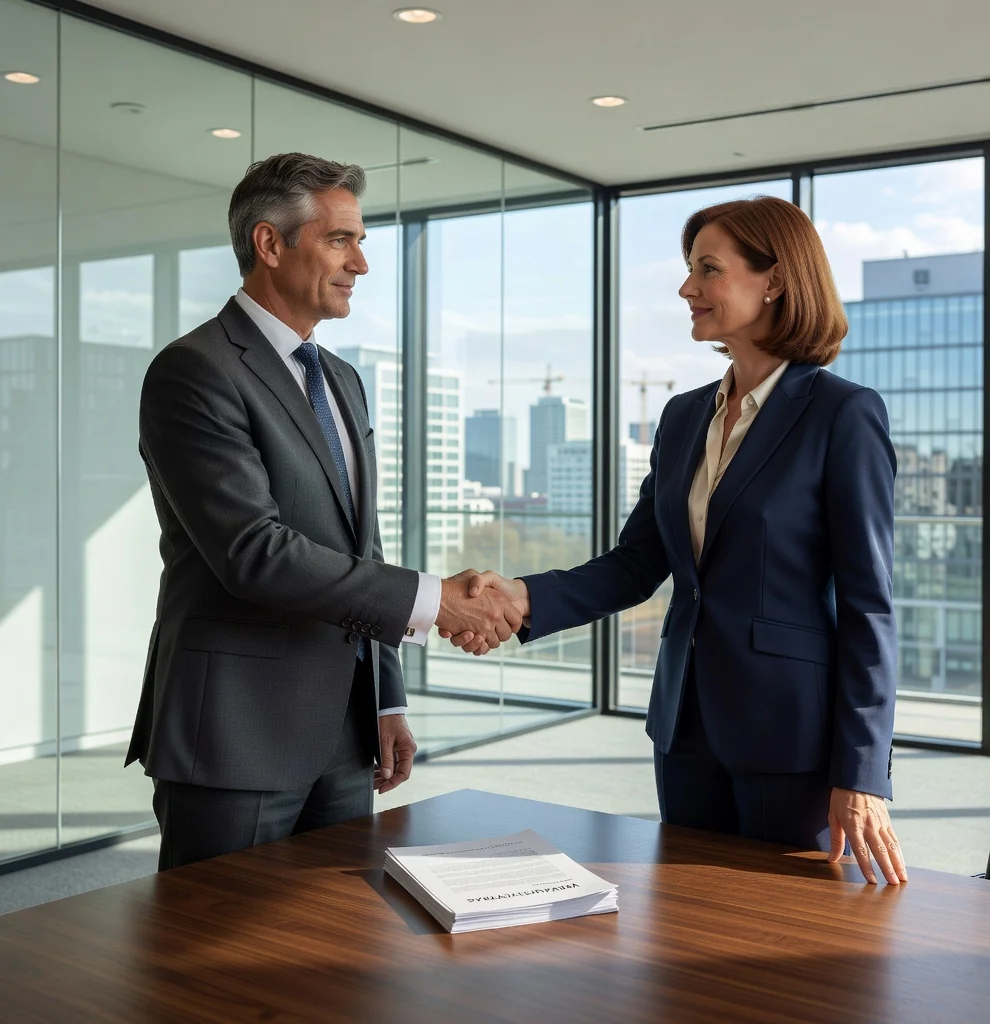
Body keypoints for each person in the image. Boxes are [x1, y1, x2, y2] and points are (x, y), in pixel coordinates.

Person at [444, 196, 908, 885]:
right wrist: (519, 596)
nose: (687, 289)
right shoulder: (684, 415)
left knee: (789, 944)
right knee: (684, 920)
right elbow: (638, 563)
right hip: (684, 727)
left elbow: (871, 607)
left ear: (773, 281)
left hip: (791, 739)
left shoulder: (843, 414)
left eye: (707, 269)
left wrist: (863, 771)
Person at [126, 152, 520, 870]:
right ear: (270, 244)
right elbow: (253, 551)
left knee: (334, 954)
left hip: (344, 732)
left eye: (361, 241)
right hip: (234, 733)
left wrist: (386, 700)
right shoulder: (193, 372)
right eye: (341, 239)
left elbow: (359, 546)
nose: (361, 263)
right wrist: (437, 601)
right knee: (213, 961)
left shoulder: (339, 378)